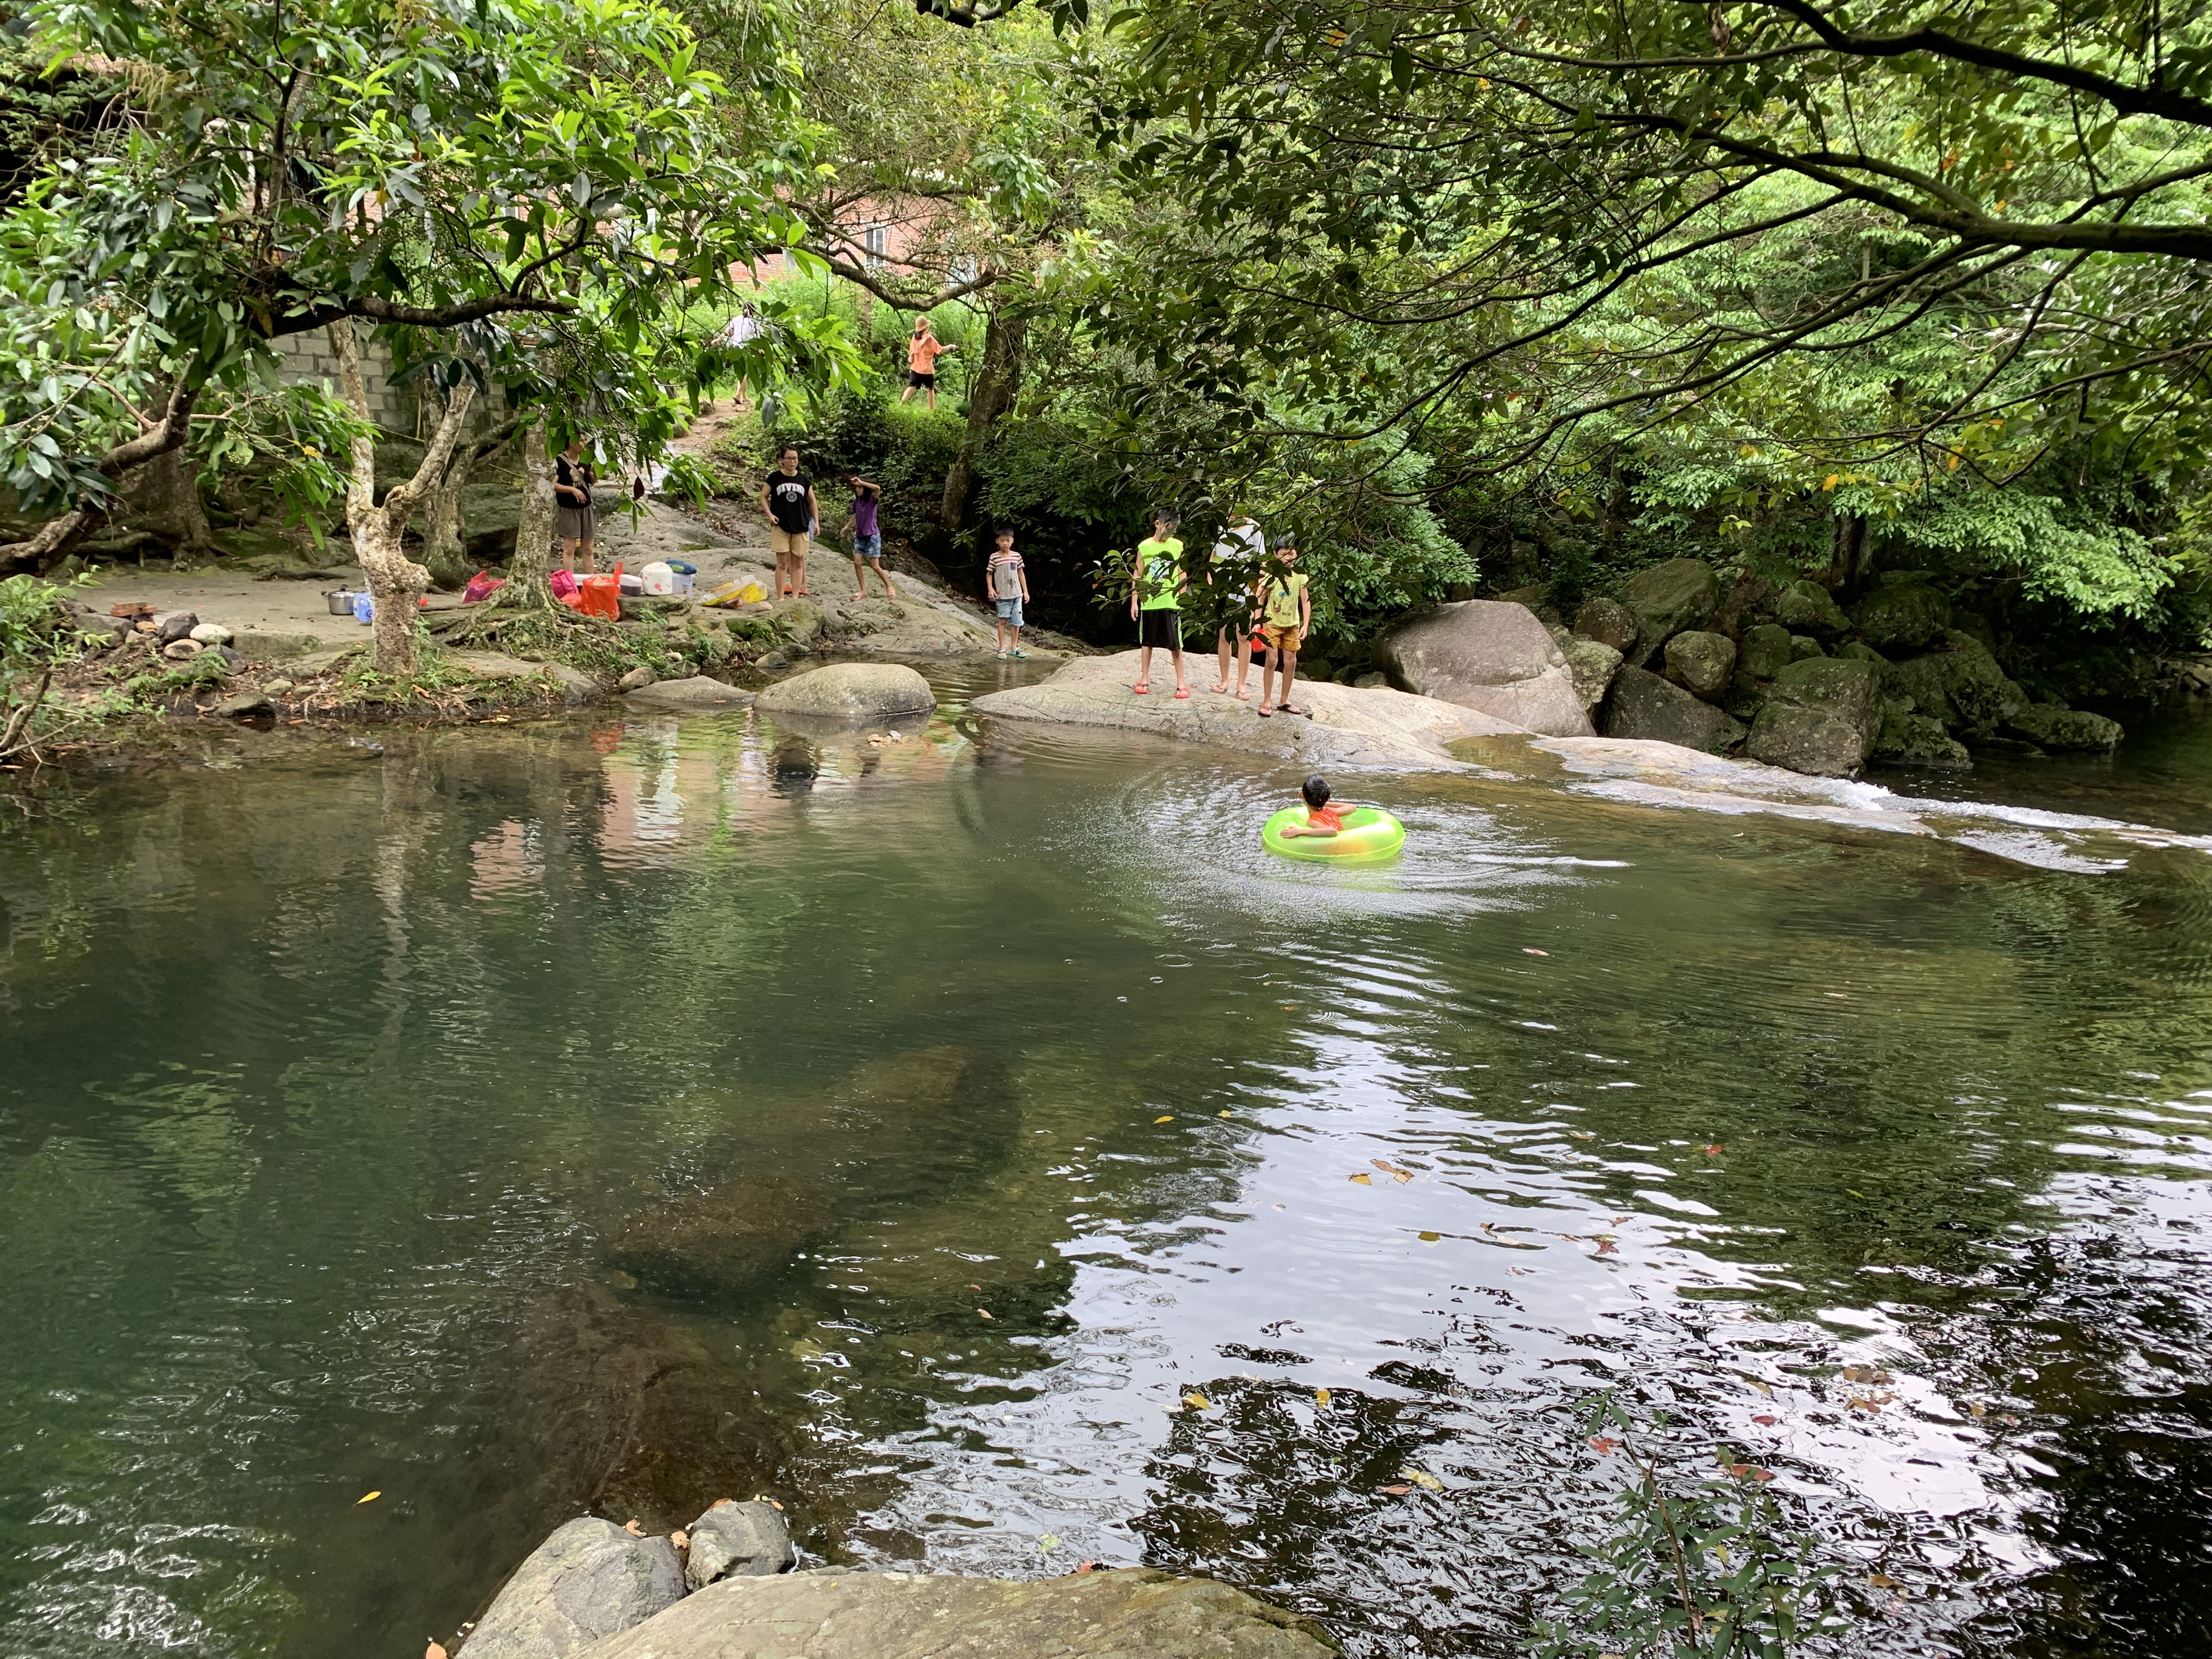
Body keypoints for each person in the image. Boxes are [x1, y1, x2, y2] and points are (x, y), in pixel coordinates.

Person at [1129, 510, 1189, 698]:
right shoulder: (1145, 546)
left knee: (1175, 643)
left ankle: (1181, 682)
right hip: (1150, 602)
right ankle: (1145, 678)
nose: (1171, 533)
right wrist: (1135, 602)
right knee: (1147, 642)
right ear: (1157, 524)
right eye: (1168, 528)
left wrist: (1182, 597)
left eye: (1174, 530)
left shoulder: (1178, 546)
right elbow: (1138, 574)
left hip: (1171, 602)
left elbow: (1182, 573)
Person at [1253, 534, 1311, 718]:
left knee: (1291, 662)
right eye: (1285, 554)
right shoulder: (1270, 573)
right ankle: (1267, 701)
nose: (1289, 557)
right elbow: (1260, 597)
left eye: (1292, 553)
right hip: (1272, 621)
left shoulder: (1299, 574)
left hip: (1292, 623)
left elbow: (1306, 600)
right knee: (1271, 661)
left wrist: (1305, 625)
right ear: (1276, 555)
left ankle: (1284, 700)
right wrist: (1257, 622)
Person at [1209, 510, 1265, 697]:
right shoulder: (1220, 526)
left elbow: (1262, 565)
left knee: (1244, 637)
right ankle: (1225, 680)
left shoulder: (1255, 529)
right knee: (1224, 635)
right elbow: (1214, 558)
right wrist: (1211, 585)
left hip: (1246, 590)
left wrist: (1257, 594)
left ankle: (1241, 684)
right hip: (1224, 590)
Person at [758, 445, 818, 597]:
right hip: (780, 526)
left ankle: (796, 595)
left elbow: (812, 501)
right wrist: (769, 515)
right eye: (789, 458)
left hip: (801, 525)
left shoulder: (804, 480)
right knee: (782, 563)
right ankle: (780, 597)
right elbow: (763, 497)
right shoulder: (775, 478)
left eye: (795, 459)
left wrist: (816, 522)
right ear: (782, 460)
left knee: (798, 563)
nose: (792, 461)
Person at [848, 475, 896, 600]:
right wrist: (847, 526)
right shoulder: (857, 502)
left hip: (872, 536)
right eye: (857, 487)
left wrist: (862, 482)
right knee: (857, 562)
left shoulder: (871, 500)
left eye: (861, 488)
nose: (858, 490)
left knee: (875, 566)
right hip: (860, 536)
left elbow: (877, 488)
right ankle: (863, 590)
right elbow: (856, 515)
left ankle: (889, 587)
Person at [985, 528, 1030, 658]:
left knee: (1016, 622)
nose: (1005, 543)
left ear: (1012, 541)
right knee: (1003, 620)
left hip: (1017, 594)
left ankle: (1014, 647)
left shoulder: (1016, 556)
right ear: (997, 542)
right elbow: (989, 574)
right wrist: (991, 588)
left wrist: (1025, 591)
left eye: (1008, 540)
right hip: (1002, 594)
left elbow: (1021, 573)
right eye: (1002, 541)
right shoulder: (994, 557)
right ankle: (1002, 648)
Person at [555, 441, 597, 574]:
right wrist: (572, 490)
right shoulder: (560, 461)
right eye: (582, 440)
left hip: (587, 508)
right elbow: (552, 485)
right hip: (568, 509)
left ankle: (590, 582)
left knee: (588, 549)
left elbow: (590, 481)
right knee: (569, 549)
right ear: (572, 443)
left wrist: (595, 475)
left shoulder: (586, 459)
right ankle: (569, 584)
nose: (585, 444)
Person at [901, 318, 956, 410]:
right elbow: (940, 350)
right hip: (927, 370)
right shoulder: (929, 338)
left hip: (915, 367)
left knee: (912, 387)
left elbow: (912, 350)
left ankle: (902, 403)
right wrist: (951, 346)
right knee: (930, 390)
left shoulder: (915, 338)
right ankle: (932, 410)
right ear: (926, 327)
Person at [1277, 774, 1355, 839]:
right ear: (1329, 798)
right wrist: (1325, 803)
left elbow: (1332, 831)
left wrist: (1300, 831)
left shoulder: (1313, 822)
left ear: (1301, 795)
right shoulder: (1332, 812)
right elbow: (1352, 807)